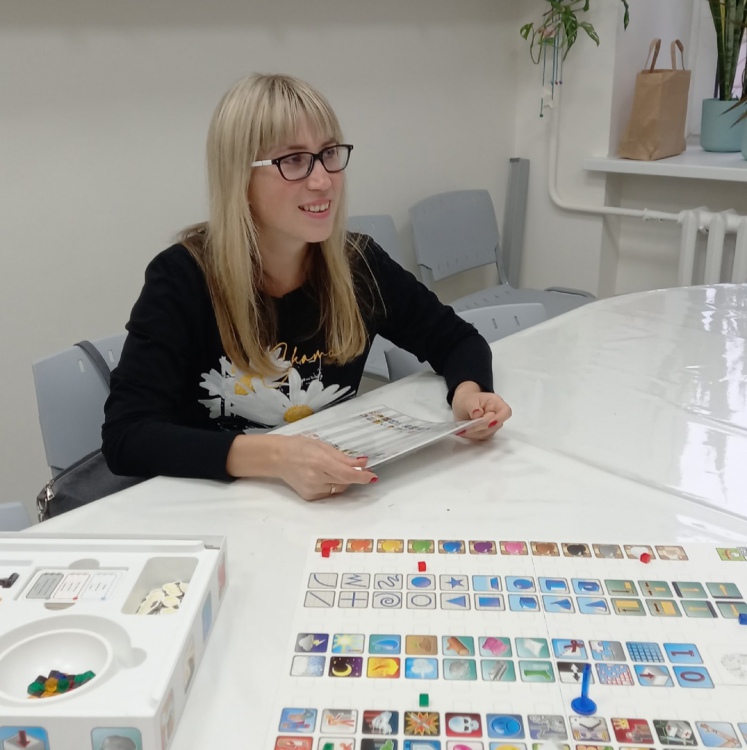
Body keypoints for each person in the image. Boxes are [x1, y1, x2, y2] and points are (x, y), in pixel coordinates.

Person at [102, 73, 511, 501]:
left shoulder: (358, 264)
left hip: (332, 501)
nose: (323, 180)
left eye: (328, 154)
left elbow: (456, 339)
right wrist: (278, 457)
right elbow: (127, 436)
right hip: (216, 505)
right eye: (294, 160)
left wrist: (468, 395)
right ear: (239, 178)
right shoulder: (183, 278)